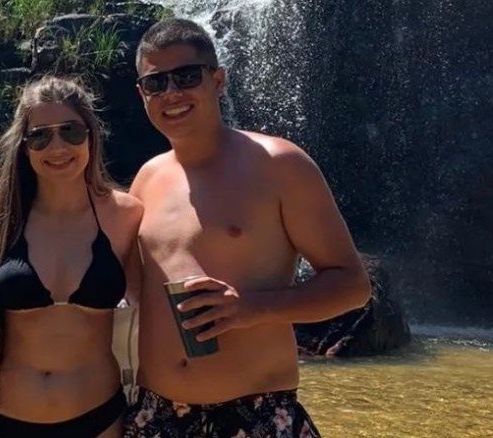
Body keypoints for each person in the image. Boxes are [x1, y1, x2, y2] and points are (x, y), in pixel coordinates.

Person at [123, 18, 372, 437]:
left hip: (255, 413)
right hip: (157, 413)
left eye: (187, 76)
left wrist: (253, 308)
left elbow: (352, 286)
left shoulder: (279, 165)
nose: (172, 93)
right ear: (142, 94)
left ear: (218, 81)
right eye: (156, 82)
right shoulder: (147, 179)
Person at [0, 76, 143, 438]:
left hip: (100, 420)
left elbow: (151, 318)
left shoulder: (127, 216)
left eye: (70, 131)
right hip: (1, 423)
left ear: (91, 134)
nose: (57, 147)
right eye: (40, 136)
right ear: (24, 147)